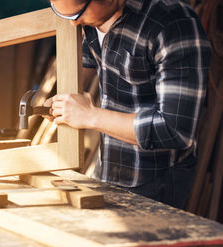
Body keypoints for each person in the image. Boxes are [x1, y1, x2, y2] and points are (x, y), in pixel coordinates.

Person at [45, 0, 211, 209]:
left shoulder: (173, 24)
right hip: (108, 167)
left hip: (154, 180)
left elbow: (175, 130)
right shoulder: (91, 18)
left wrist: (89, 116)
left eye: (76, 15)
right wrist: (65, 95)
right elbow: (88, 58)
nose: (73, 24)